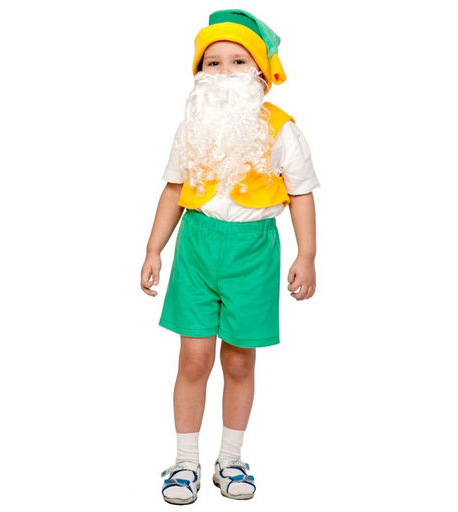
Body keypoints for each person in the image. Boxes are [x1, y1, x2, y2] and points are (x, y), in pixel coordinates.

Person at [140, 9, 320, 504]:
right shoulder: (192, 126)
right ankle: (185, 462)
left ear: (261, 72)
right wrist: (154, 249)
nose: (224, 71)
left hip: (253, 252)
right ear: (199, 72)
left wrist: (307, 255)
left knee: (239, 360)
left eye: (238, 61)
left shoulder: (281, 130)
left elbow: (300, 193)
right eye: (212, 62)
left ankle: (231, 458)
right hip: (197, 247)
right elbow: (174, 189)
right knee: (193, 356)